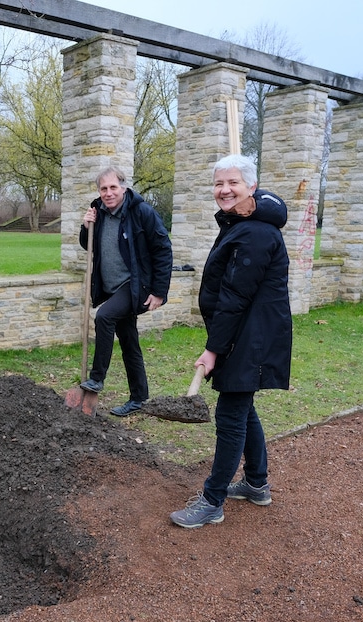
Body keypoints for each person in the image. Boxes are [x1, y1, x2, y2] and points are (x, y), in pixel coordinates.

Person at [170, 154, 292, 529]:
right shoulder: (242, 223)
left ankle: (212, 501)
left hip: (250, 336)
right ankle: (256, 483)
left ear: (251, 187)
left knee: (230, 414)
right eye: (219, 183)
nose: (224, 190)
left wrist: (213, 349)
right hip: (246, 332)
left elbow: (235, 297)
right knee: (242, 407)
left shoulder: (254, 232)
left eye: (233, 183)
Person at [78, 167, 173, 417]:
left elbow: (163, 249)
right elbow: (88, 245)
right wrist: (86, 226)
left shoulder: (141, 212)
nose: (108, 193)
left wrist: (159, 291)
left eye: (113, 187)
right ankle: (139, 398)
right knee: (129, 342)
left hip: (134, 285)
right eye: (103, 188)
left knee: (104, 317)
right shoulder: (98, 211)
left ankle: (97, 378)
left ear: (123, 187)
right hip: (111, 287)